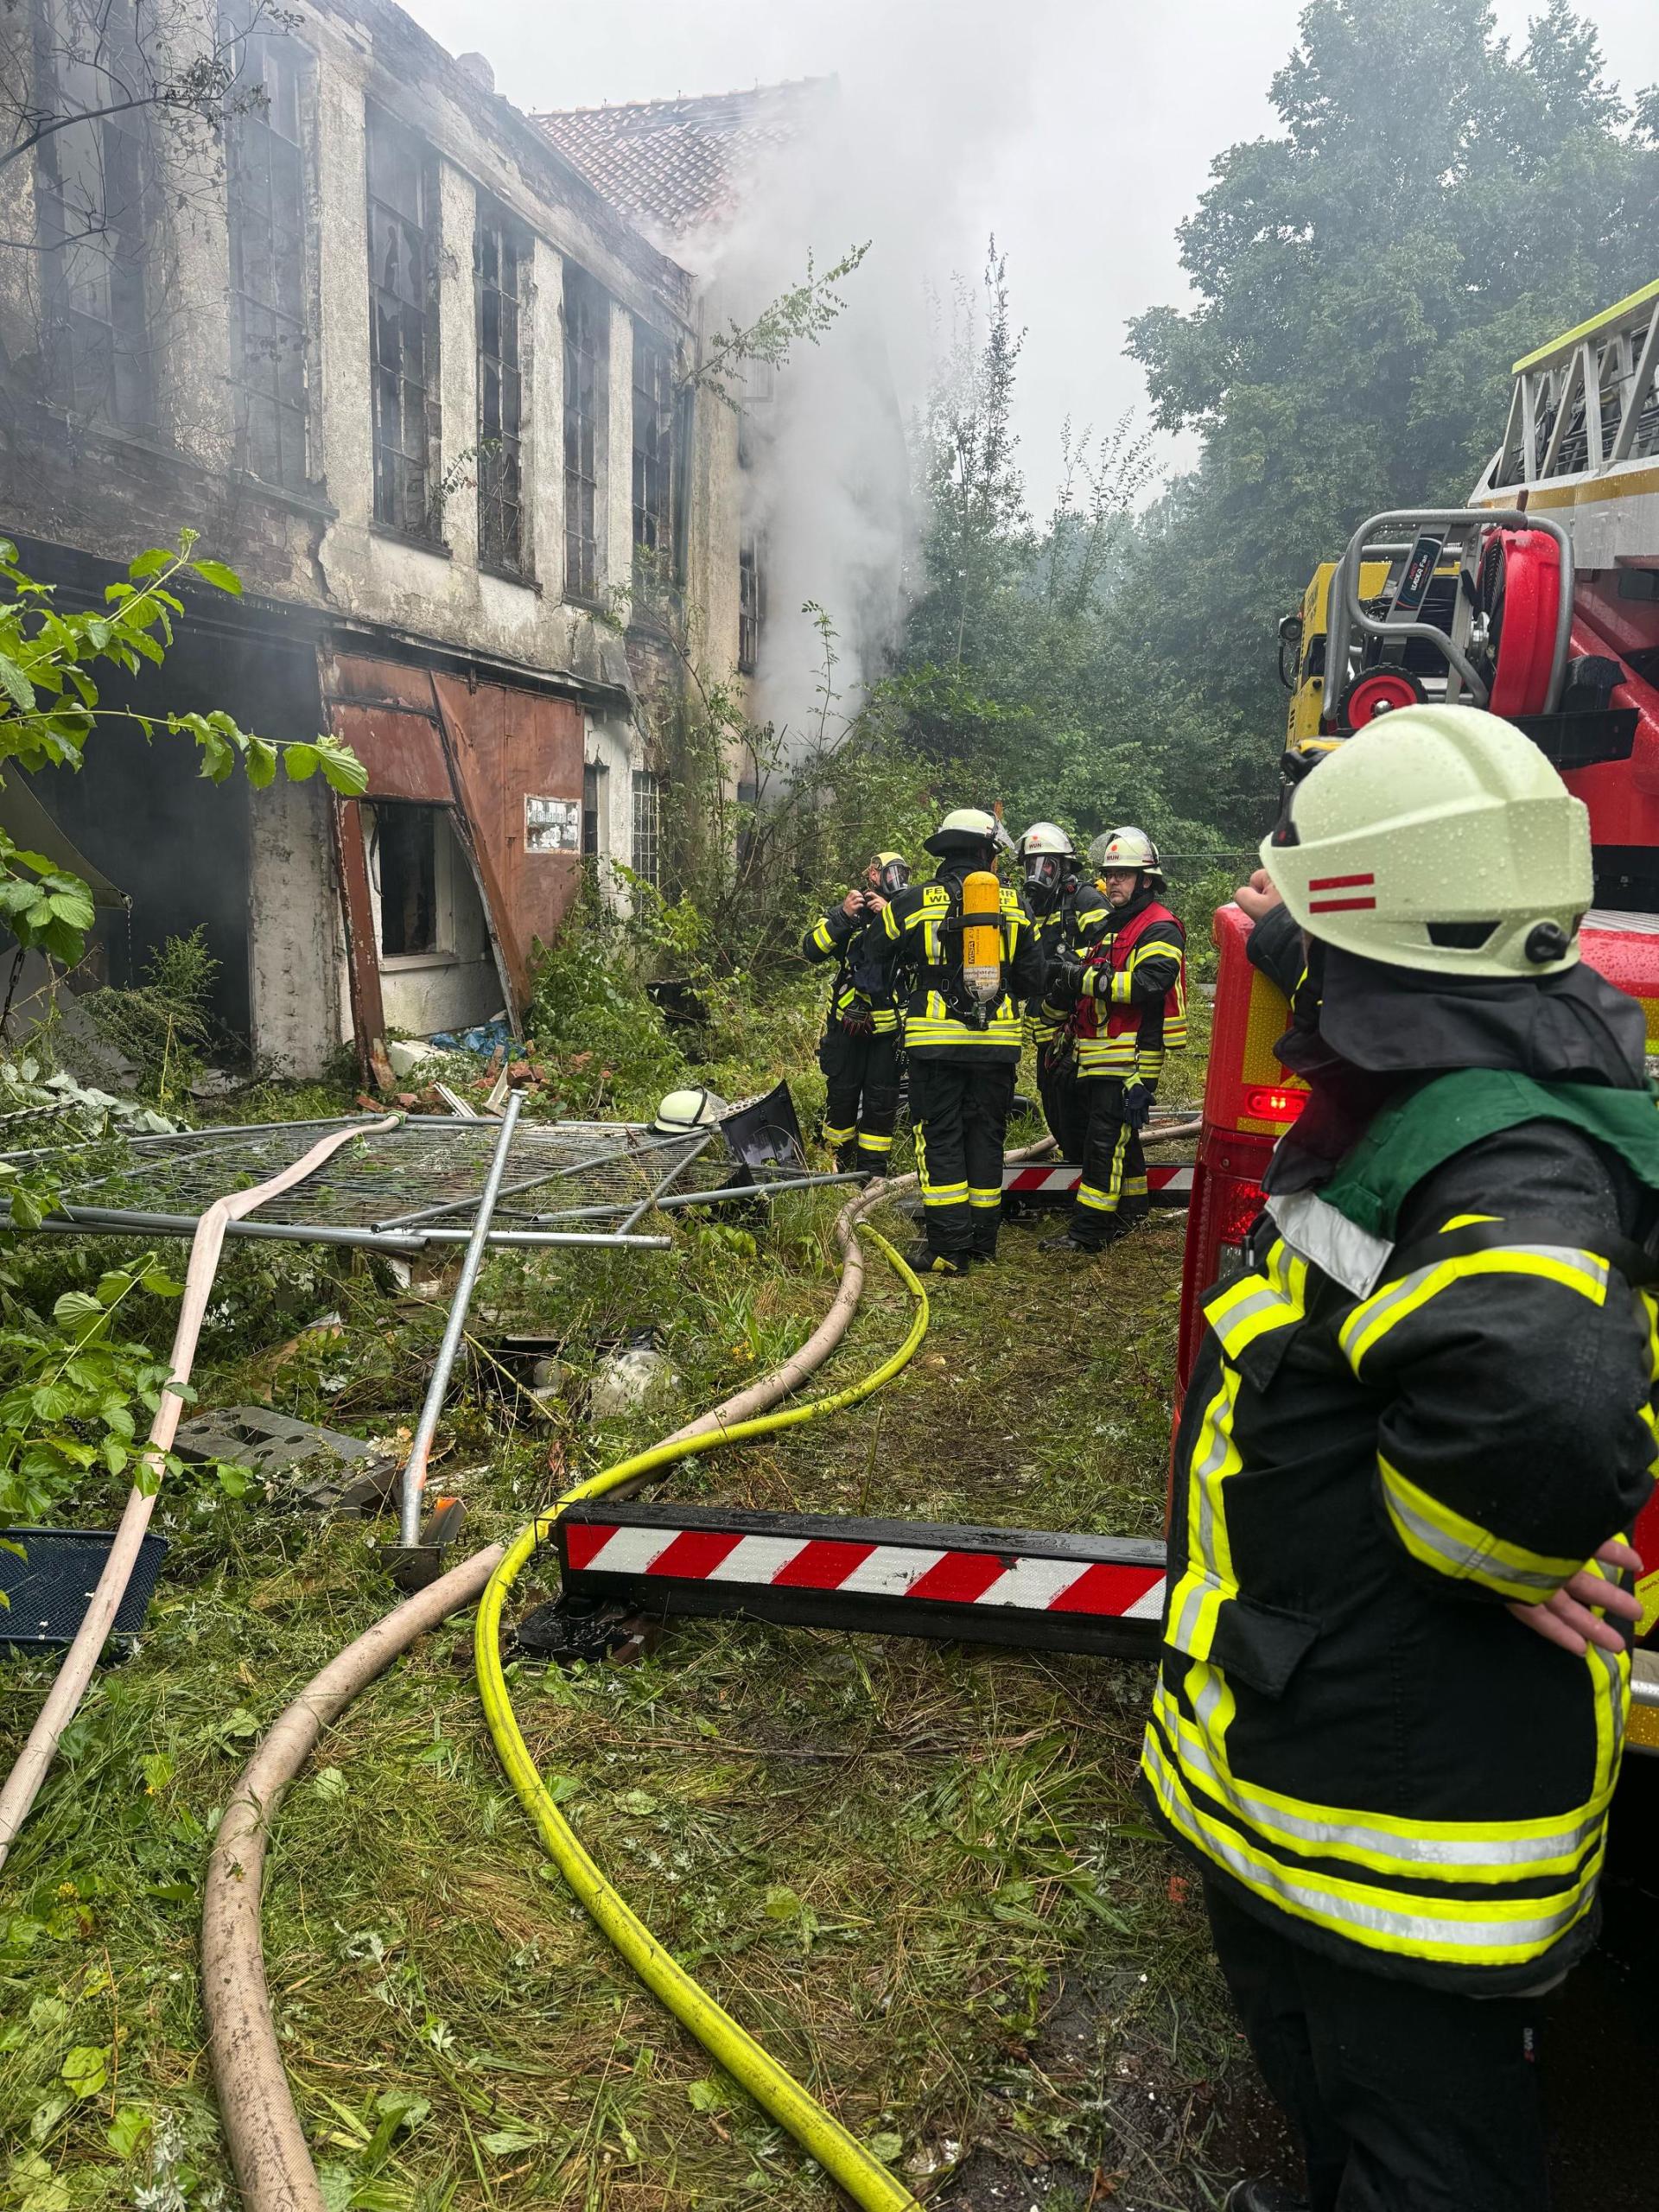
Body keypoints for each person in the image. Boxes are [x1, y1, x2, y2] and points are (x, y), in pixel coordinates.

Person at [1143, 705, 1659, 2212]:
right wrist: (1285, 926)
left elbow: (1545, 1403)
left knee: (1421, 2151)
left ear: (1373, 926)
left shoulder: (1510, 1158)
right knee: (1327, 2088)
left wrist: (1486, 1543)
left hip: (1397, 1830)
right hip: (1329, 1762)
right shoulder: (1468, 1044)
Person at [880, 806, 1045, 1274]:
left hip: (935, 1043)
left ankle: (949, 1249)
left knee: (940, 1138)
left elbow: (874, 956)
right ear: (987, 853)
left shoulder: (913, 901)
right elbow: (1034, 979)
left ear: (945, 850)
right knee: (987, 1136)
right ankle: (983, 1242)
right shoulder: (1016, 905)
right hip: (998, 1044)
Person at [1039, 827, 1186, 1251]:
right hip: (1100, 1054)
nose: (1112, 882)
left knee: (1104, 1143)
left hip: (1131, 1058)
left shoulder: (1160, 927)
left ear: (1146, 880)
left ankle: (1088, 1233)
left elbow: (1149, 984)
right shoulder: (1111, 926)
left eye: (1122, 874)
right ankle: (1132, 1211)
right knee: (1120, 1137)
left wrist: (1082, 978)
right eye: (1109, 874)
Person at [803, 852, 910, 1177]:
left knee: (881, 1104)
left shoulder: (906, 913)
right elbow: (812, 949)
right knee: (842, 1098)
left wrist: (891, 916)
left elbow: (921, 954)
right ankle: (836, 1166)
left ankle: (872, 1175)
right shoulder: (848, 912)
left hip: (886, 1036)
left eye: (901, 874)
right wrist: (843, 917)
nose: (895, 881)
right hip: (845, 1030)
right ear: (873, 875)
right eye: (889, 873)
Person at [1016, 822, 1109, 1161]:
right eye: (1031, 864)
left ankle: (1085, 1164)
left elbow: (1110, 950)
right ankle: (1073, 1159)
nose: (1037, 872)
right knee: (1053, 1102)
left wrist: (1065, 964)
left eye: (1046, 864)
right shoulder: (1029, 907)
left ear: (1064, 866)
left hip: (1079, 1028)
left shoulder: (1084, 899)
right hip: (1045, 1033)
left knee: (1076, 1103)